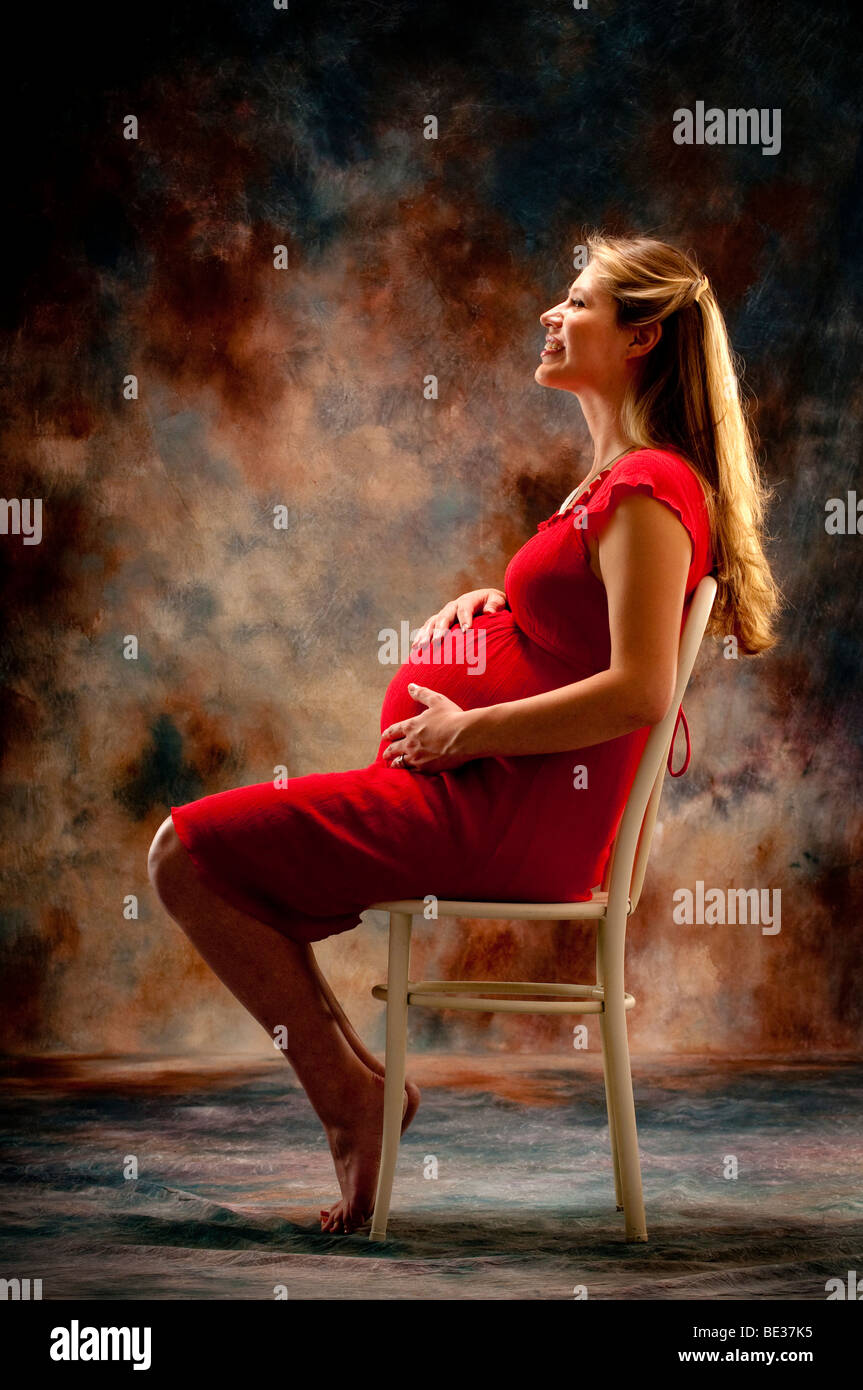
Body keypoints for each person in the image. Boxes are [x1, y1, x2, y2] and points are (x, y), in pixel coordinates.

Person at [147, 233, 781, 1235]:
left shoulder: (648, 487)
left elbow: (636, 691)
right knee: (201, 859)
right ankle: (356, 1088)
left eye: (576, 301)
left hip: (496, 815)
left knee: (184, 856)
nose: (550, 314)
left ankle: (351, 1100)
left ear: (640, 337)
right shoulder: (614, 482)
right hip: (477, 802)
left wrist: (464, 728)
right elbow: (585, 633)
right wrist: (508, 614)